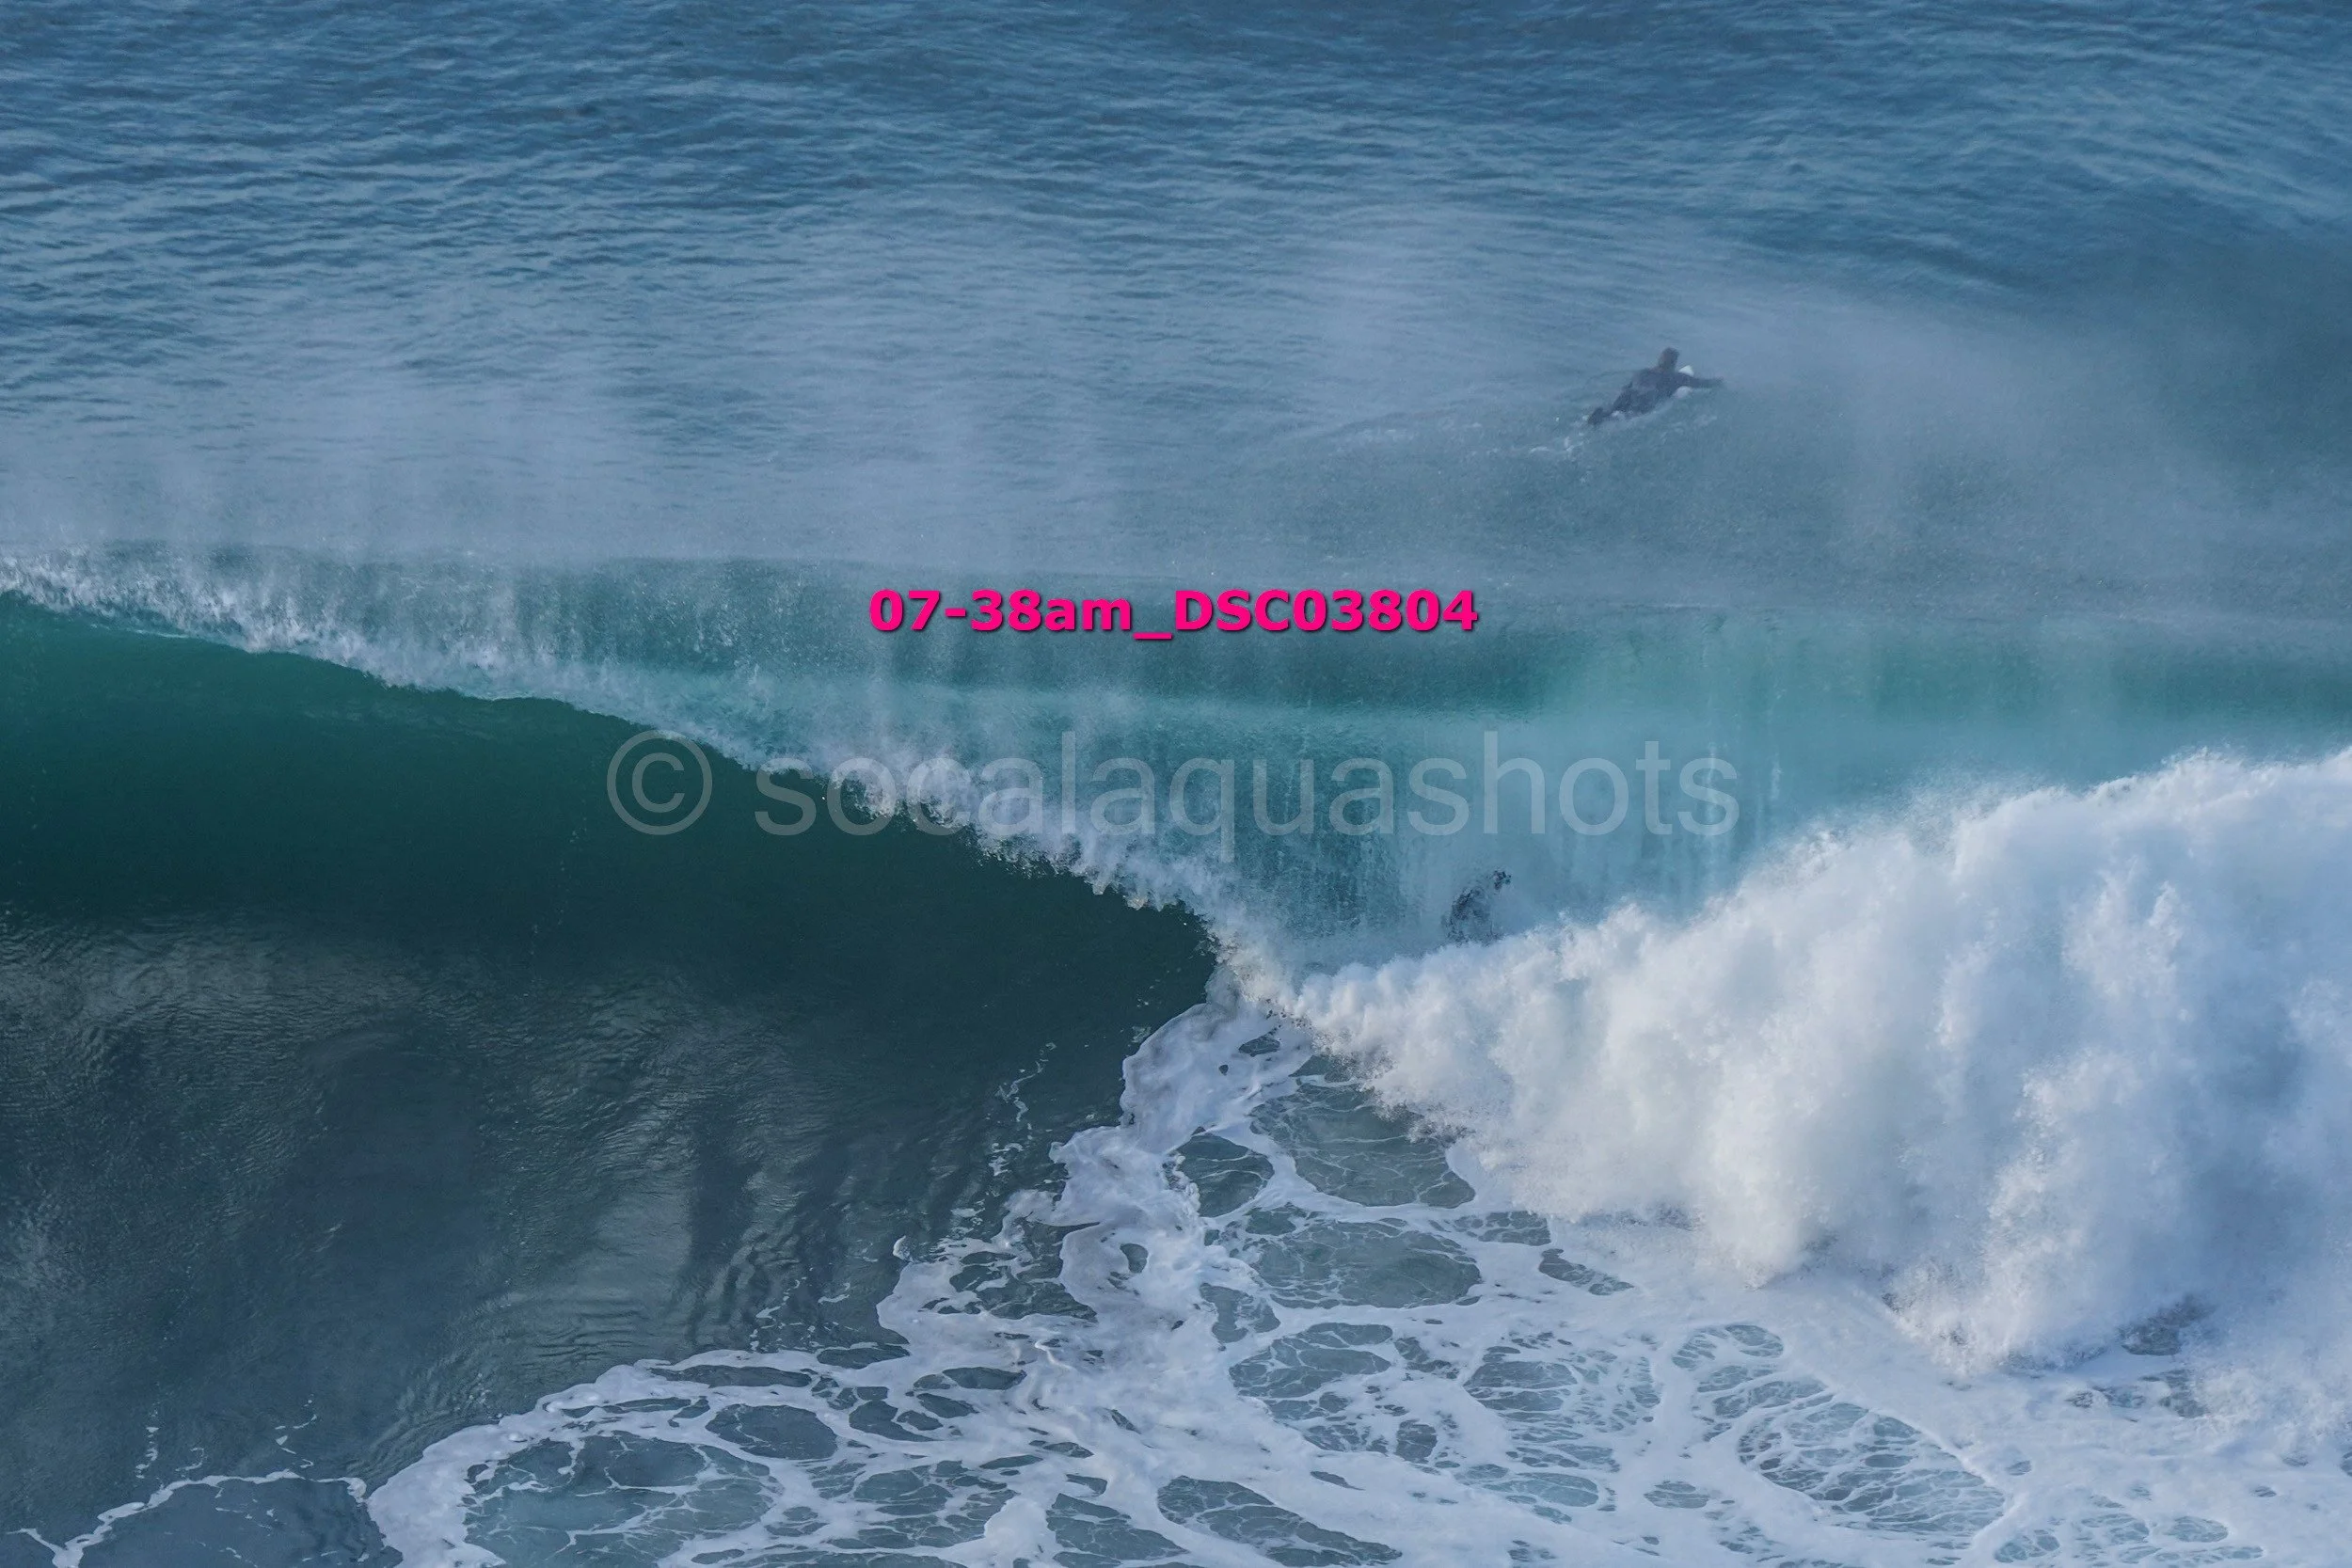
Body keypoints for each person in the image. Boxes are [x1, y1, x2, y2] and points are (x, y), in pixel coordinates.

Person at [1586, 348, 1722, 425]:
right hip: (1649, 397)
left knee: (1615, 409)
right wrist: (1720, 381)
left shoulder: (1642, 372)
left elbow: (1626, 387)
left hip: (1629, 393)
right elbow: (1703, 384)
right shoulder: (1677, 377)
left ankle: (1603, 414)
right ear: (1673, 364)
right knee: (1630, 415)